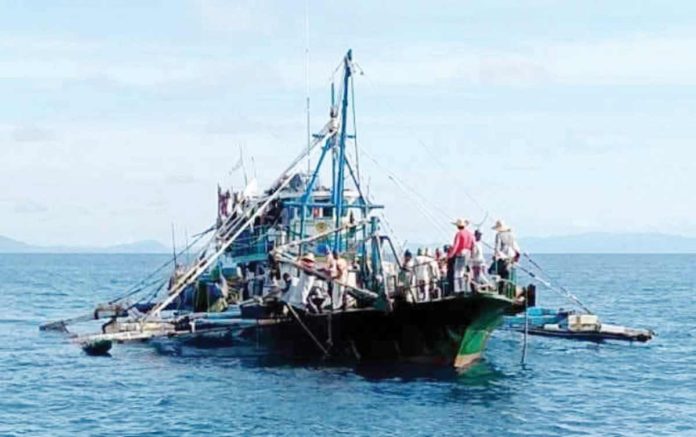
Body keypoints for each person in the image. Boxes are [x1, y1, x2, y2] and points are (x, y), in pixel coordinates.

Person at [491, 219, 521, 293]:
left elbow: (497, 249)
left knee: (493, 271)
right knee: (507, 275)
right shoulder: (511, 235)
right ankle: (507, 291)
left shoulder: (498, 235)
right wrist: (515, 259)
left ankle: (501, 291)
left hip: (503, 259)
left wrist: (495, 256)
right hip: (511, 259)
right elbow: (517, 250)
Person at [447, 218, 475, 293]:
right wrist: (472, 254)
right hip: (468, 253)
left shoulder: (459, 234)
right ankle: (467, 288)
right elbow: (473, 244)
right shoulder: (470, 234)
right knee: (467, 271)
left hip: (461, 253)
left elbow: (456, 245)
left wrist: (450, 255)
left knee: (458, 272)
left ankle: (459, 289)